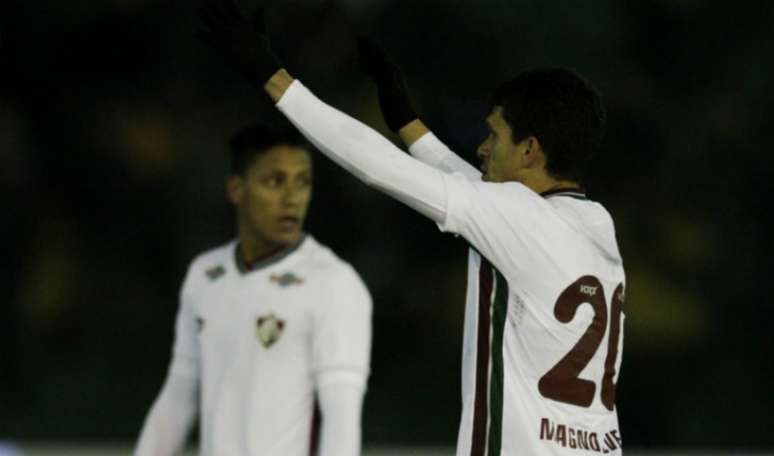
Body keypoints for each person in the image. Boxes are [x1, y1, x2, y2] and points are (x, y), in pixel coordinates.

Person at [198, 2, 625, 454]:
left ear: (530, 151)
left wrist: (275, 79)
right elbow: (464, 187)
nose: (482, 148)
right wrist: (406, 120)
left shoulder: (518, 217)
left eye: (495, 135)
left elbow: (378, 168)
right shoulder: (593, 223)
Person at [134, 121, 373, 456]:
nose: (292, 198)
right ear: (236, 189)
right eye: (275, 181)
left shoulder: (334, 283)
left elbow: (342, 421)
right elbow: (177, 399)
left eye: (302, 182)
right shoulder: (204, 275)